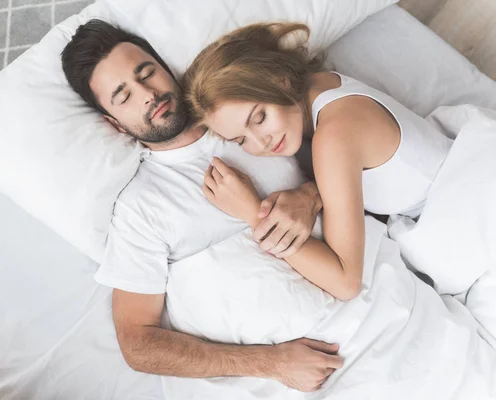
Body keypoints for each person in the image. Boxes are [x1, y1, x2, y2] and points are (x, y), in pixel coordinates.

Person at [61, 19, 344, 392]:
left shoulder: (246, 114)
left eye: (146, 73)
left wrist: (311, 195)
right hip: (309, 371)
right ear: (115, 124)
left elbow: (348, 143)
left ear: (167, 70)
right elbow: (138, 344)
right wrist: (273, 363)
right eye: (124, 95)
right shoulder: (140, 209)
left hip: (373, 293)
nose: (147, 93)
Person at [182, 22, 453, 299]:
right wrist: (310, 193)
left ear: (279, 80)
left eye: (260, 117)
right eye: (241, 140)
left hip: (459, 211)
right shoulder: (322, 84)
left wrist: (254, 213)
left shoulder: (332, 138)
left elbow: (346, 282)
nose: (260, 142)